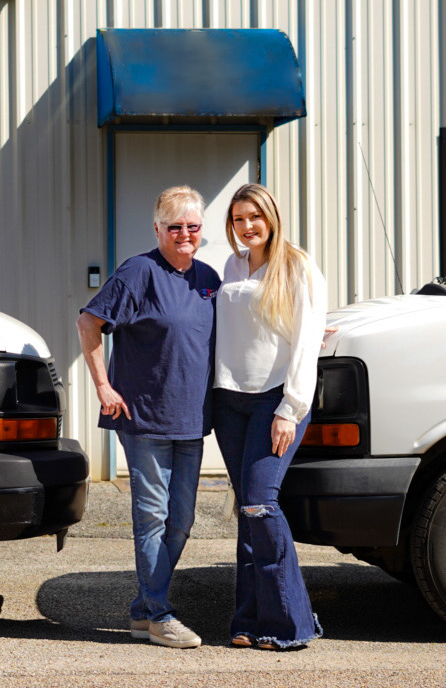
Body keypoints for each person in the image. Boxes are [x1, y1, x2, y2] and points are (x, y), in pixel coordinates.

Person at [77, 186, 219, 648]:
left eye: (192, 226)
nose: (184, 234)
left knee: (181, 520)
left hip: (191, 418)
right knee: (153, 516)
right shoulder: (140, 271)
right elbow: (89, 321)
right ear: (157, 228)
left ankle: (143, 608)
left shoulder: (209, 279)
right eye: (173, 226)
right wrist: (103, 384)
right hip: (144, 416)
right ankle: (160, 615)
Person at [211, 182, 327, 650]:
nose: (247, 226)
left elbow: (306, 343)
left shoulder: (297, 266)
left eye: (254, 217)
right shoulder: (231, 265)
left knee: (262, 503)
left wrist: (290, 409)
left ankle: (291, 623)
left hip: (273, 400)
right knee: (247, 511)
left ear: (271, 217)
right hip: (229, 400)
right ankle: (248, 620)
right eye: (239, 219)